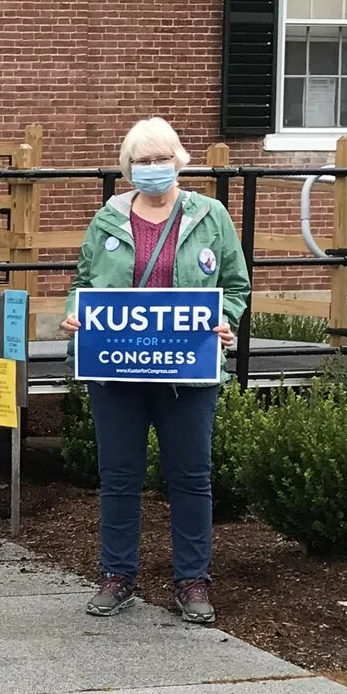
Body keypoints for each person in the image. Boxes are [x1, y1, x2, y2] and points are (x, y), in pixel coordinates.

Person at [59, 118, 249, 625]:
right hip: (116, 372)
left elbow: (234, 285)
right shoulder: (106, 219)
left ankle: (193, 580)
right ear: (127, 169)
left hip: (187, 370)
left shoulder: (212, 216)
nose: (152, 169)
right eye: (141, 161)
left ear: (179, 161)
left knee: (190, 476)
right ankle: (117, 574)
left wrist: (225, 321)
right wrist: (77, 312)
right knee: (118, 476)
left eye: (160, 158)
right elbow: (83, 282)